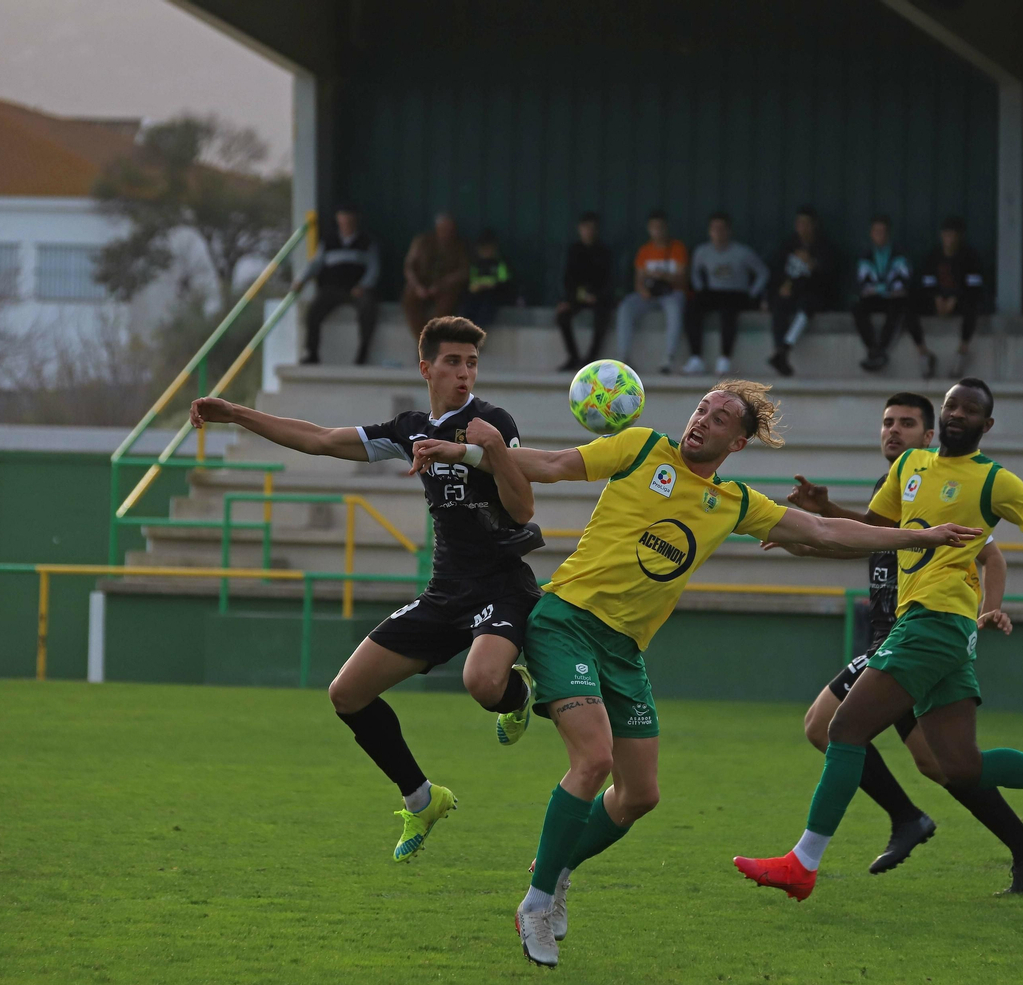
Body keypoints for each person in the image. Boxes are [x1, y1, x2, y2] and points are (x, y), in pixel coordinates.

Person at [409, 382, 981, 967]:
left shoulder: (734, 502)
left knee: (640, 795)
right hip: (566, 622)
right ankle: (534, 904)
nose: (703, 419)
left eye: (721, 416)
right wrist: (469, 452)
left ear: (738, 441)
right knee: (593, 760)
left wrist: (920, 535)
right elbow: (552, 464)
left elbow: (824, 533)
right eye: (702, 407)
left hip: (626, 650)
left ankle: (556, 872)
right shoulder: (637, 447)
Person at [733, 378, 1023, 905]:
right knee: (959, 766)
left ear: (986, 426)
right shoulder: (907, 469)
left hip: (933, 622)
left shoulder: (995, 480)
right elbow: (873, 536)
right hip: (931, 628)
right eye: (952, 405)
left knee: (844, 730)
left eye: (970, 411)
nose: (957, 414)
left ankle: (803, 863)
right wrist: (817, 523)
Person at [188, 317, 543, 863]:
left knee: (483, 682)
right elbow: (319, 439)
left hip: (501, 583)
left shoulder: (493, 423)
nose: (464, 374)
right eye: (452, 362)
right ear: (426, 367)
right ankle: (422, 799)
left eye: (471, 363)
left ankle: (517, 695)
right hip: (445, 592)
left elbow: (522, 508)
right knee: (346, 694)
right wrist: (237, 414)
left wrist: (491, 451)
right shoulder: (409, 429)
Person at [771, 393, 1023, 895]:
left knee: (827, 726)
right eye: (887, 422)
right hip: (901, 638)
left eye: (907, 424)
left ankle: (902, 820)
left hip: (911, 637)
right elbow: (865, 543)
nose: (893, 431)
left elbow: (991, 555)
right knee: (942, 764)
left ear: (931, 437)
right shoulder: (896, 485)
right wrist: (807, 539)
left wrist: (990, 606)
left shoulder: (943, 486)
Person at [683, 212, 768, 377]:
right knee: (692, 307)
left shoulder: (743, 252)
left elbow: (763, 272)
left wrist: (753, 293)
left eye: (722, 229)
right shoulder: (702, 251)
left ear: (729, 231)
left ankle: (724, 359)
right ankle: (696, 359)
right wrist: (700, 288)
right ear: (709, 231)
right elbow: (694, 272)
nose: (718, 233)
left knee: (728, 312)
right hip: (712, 291)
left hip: (736, 293)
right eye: (715, 229)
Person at [298, 205, 381, 366]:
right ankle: (312, 353)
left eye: (349, 219)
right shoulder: (328, 241)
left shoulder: (367, 242)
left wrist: (363, 285)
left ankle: (362, 354)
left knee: (368, 307)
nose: (346, 222)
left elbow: (374, 268)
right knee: (314, 310)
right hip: (332, 289)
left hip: (357, 289)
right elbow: (315, 264)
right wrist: (301, 279)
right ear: (338, 220)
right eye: (343, 218)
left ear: (355, 220)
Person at [615, 209, 689, 372]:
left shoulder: (677, 248)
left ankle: (669, 358)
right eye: (654, 227)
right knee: (626, 306)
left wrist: (664, 276)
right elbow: (639, 280)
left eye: (660, 227)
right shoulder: (645, 251)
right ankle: (623, 357)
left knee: (675, 307)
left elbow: (682, 278)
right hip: (649, 295)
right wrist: (643, 290)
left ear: (666, 228)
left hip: (670, 293)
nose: (657, 231)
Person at [766, 206, 836, 377]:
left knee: (806, 306)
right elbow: (776, 271)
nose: (802, 228)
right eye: (799, 224)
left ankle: (784, 349)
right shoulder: (788, 245)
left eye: (806, 224)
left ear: (814, 225)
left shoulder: (823, 247)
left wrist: (813, 264)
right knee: (779, 305)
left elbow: (829, 276)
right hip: (790, 292)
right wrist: (780, 287)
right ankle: (779, 350)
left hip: (811, 293)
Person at [914, 217, 988, 378]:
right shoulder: (934, 255)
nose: (948, 239)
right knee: (908, 307)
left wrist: (954, 299)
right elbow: (927, 283)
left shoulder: (969, 256)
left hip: (960, 301)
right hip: (938, 301)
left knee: (972, 307)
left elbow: (974, 287)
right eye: (946, 235)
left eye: (952, 235)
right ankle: (923, 353)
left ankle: (962, 353)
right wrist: (937, 298)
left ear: (959, 237)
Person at [851, 215, 923, 376]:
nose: (879, 235)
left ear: (888, 234)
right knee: (858, 307)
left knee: (899, 306)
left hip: (893, 299)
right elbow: (864, 283)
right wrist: (884, 289)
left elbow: (902, 282)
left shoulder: (899, 253)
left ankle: (881, 349)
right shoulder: (866, 254)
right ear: (871, 233)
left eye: (883, 232)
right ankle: (873, 350)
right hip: (875, 298)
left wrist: (880, 289)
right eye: (876, 231)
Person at [555, 211, 614, 372]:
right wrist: (569, 298)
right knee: (562, 317)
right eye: (585, 228)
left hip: (599, 297)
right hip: (578, 297)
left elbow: (609, 280)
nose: (588, 232)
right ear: (579, 229)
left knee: (603, 316)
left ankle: (591, 359)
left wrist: (597, 296)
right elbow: (567, 279)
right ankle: (573, 357)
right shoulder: (573, 250)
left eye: (592, 228)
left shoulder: (604, 251)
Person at [402, 213, 470, 339]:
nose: (447, 232)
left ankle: (435, 338)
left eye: (450, 229)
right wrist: (417, 286)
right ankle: (422, 340)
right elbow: (409, 266)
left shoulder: (459, 245)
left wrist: (442, 284)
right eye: (443, 228)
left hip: (445, 286)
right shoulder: (422, 241)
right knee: (409, 298)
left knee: (446, 306)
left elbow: (464, 272)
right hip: (422, 283)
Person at [459, 228, 516, 329]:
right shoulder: (476, 265)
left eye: (488, 248)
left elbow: (504, 282)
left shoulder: (499, 263)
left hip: (494, 295)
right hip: (477, 294)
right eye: (483, 248)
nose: (486, 252)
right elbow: (471, 282)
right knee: (469, 303)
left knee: (487, 304)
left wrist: (490, 285)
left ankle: (477, 331)